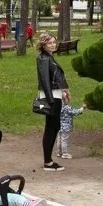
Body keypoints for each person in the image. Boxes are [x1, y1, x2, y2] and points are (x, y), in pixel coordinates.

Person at [36, 33, 70, 171]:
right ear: (43, 45)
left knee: (54, 127)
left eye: (54, 42)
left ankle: (48, 161)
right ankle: (48, 162)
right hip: (51, 97)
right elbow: (45, 80)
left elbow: (56, 78)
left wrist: (64, 92)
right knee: (51, 128)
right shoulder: (44, 59)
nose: (53, 45)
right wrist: (50, 100)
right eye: (49, 43)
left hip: (55, 95)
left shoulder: (49, 58)